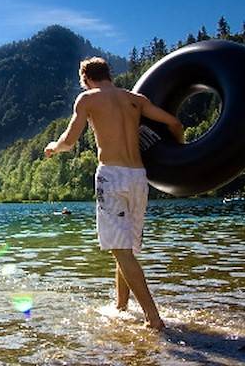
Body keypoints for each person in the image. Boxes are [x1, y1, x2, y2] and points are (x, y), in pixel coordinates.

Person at [45, 57, 184, 330]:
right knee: (126, 249)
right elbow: (175, 125)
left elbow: (70, 141)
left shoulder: (87, 99)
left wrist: (53, 147)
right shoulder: (136, 99)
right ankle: (121, 307)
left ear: (86, 78)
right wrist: (180, 157)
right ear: (109, 74)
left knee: (121, 251)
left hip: (111, 176)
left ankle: (153, 318)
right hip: (139, 177)